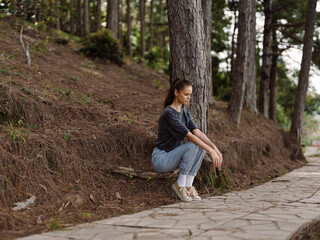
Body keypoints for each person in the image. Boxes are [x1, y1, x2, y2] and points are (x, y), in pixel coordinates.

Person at [152, 78, 223, 202]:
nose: (188, 97)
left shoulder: (185, 113)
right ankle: (180, 185)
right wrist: (210, 152)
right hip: (161, 158)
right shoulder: (169, 113)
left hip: (172, 157)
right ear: (176, 92)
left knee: (199, 146)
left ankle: (188, 186)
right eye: (186, 94)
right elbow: (190, 136)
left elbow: (198, 133)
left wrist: (214, 148)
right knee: (192, 145)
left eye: (190, 95)